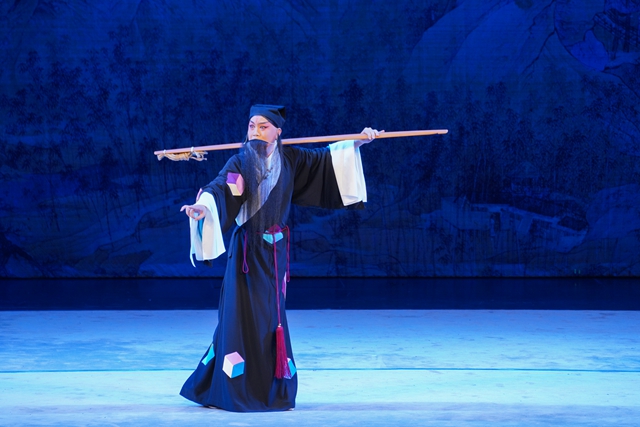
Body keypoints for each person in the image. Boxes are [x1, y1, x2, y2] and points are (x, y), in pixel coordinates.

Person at [179, 104, 382, 412]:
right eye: (252, 126)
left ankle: (273, 390)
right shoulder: (240, 163)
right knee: (239, 317)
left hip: (275, 254)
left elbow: (327, 160)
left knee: (271, 319)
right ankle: (232, 388)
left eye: (263, 127)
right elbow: (220, 188)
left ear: (278, 132)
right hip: (247, 255)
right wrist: (203, 208)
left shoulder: (292, 160)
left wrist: (358, 141)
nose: (256, 132)